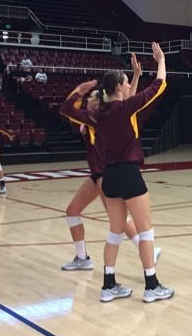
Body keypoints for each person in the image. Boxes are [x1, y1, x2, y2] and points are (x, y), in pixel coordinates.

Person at [70, 42, 172, 302]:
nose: (128, 87)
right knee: (146, 232)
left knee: (115, 233)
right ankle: (151, 286)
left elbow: (72, 109)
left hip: (110, 178)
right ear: (118, 88)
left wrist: (135, 75)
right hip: (129, 175)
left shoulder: (99, 113)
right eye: (126, 83)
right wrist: (161, 61)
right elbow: (158, 86)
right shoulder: (124, 109)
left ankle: (108, 286)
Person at [59, 54, 161, 273]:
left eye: (91, 98)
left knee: (118, 225)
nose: (88, 101)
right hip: (99, 173)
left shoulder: (100, 117)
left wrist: (80, 90)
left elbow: (127, 100)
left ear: (100, 99)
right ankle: (84, 258)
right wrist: (137, 75)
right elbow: (128, 101)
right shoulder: (95, 117)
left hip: (106, 173)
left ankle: (144, 255)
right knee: (74, 211)